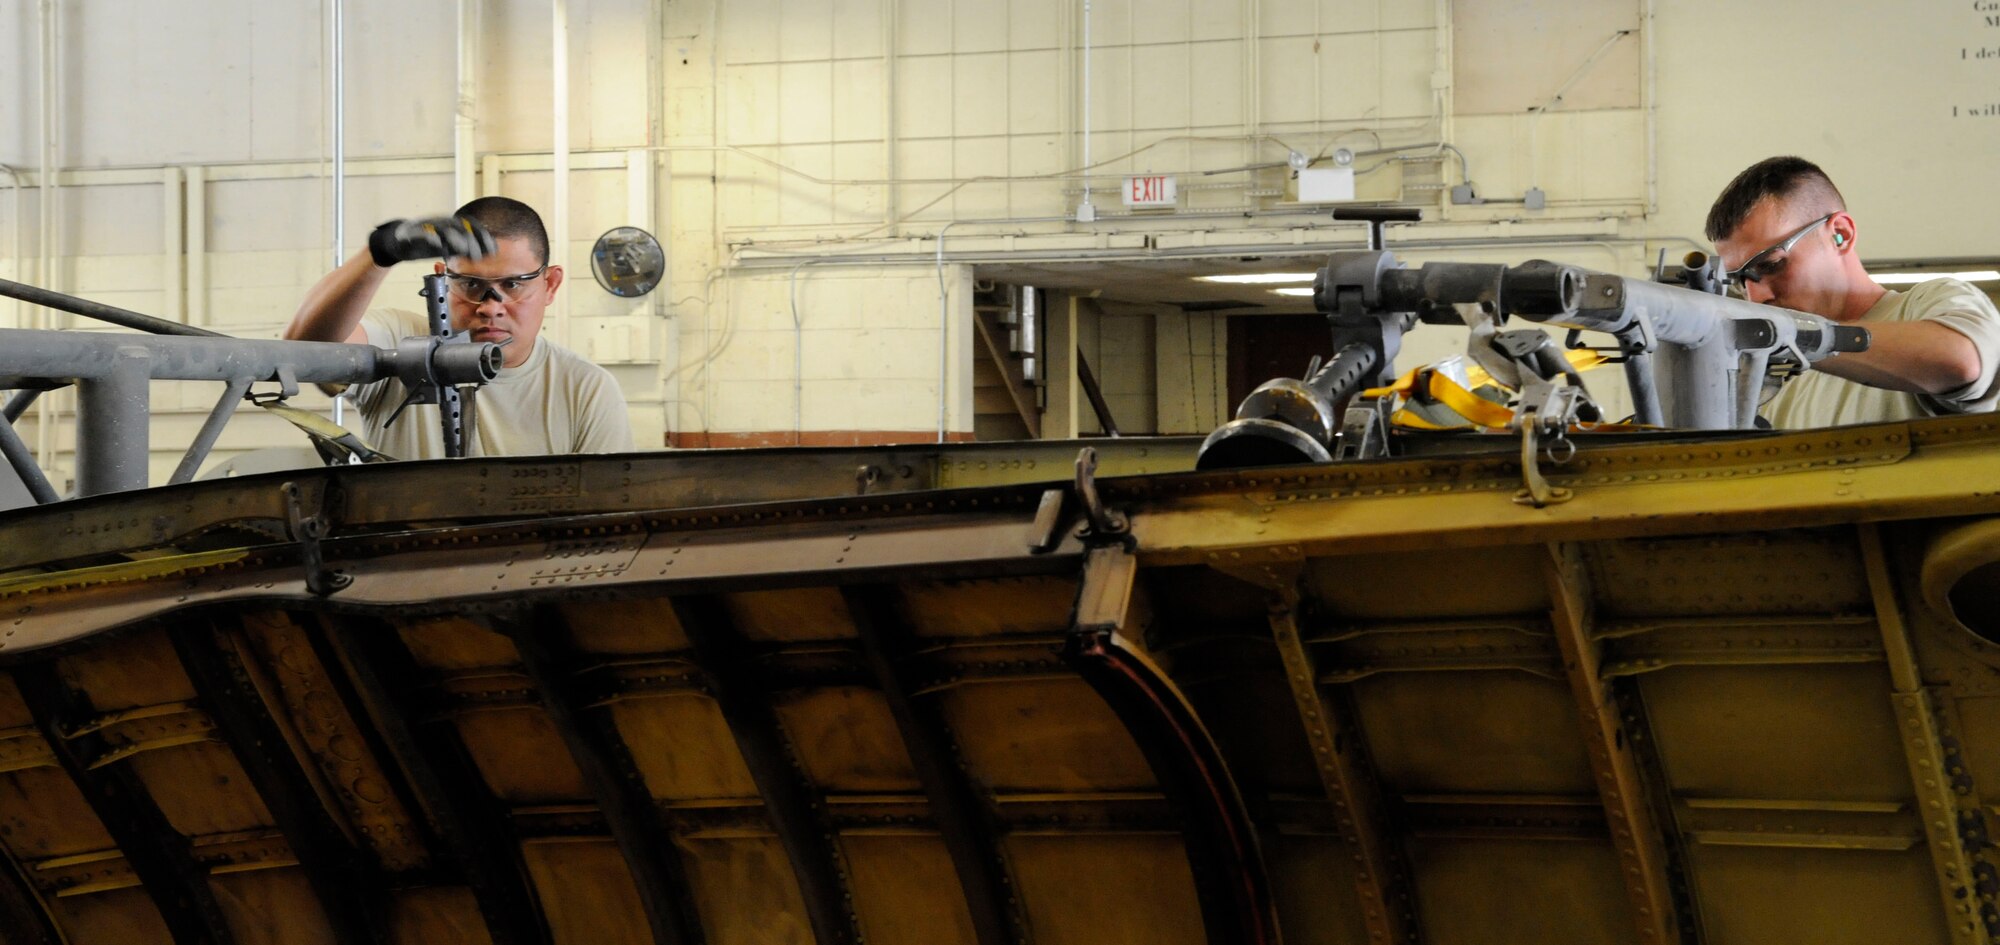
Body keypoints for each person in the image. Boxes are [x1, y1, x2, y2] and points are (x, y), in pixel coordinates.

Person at [285, 197, 634, 457]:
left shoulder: (586, 391)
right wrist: (380, 253)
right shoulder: (400, 344)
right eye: (469, 284)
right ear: (442, 280)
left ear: (551, 285)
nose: (490, 307)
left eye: (512, 285)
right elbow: (303, 353)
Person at [1706, 156, 2000, 428]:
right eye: (1740, 281)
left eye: (1772, 265)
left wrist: (1791, 336)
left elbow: (1962, 360)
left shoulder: (1927, 304)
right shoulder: (1782, 388)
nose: (1756, 298)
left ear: (1840, 235)